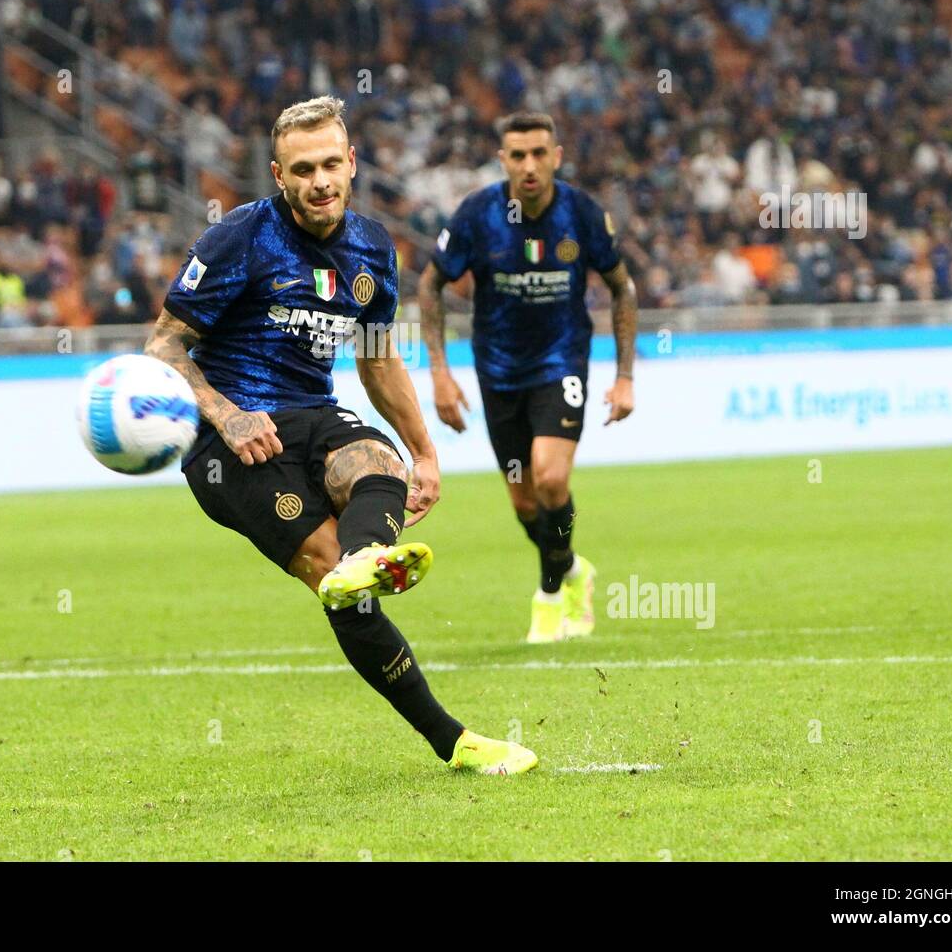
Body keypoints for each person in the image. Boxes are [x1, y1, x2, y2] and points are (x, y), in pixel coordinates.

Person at [145, 97, 536, 775]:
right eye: (303, 169)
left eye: (331, 163)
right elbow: (164, 346)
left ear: (352, 163)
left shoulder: (372, 247)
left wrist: (426, 451)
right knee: (339, 584)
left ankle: (366, 556)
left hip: (313, 412)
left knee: (375, 460)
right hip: (227, 444)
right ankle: (455, 739)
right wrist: (225, 413)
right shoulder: (238, 238)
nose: (320, 180)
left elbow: (379, 358)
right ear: (278, 175)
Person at [418, 111, 638, 643]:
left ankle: (548, 594)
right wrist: (440, 376)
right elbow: (429, 287)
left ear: (557, 156)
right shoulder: (477, 215)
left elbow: (622, 289)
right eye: (518, 155)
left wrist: (625, 376)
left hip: (561, 363)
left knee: (550, 477)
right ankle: (572, 571)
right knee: (523, 502)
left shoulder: (583, 214)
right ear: (503, 161)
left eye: (540, 153)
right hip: (497, 372)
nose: (530, 165)